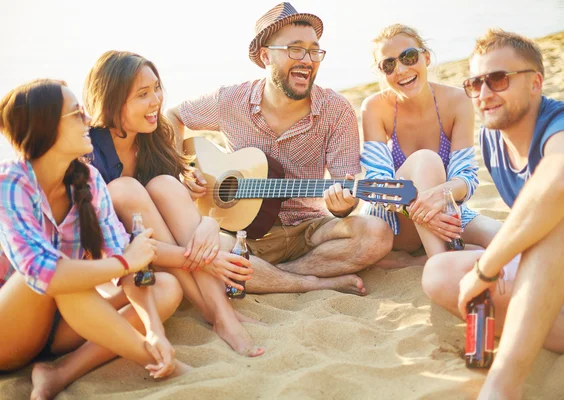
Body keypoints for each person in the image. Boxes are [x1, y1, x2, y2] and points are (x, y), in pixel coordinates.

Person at [167, 2, 393, 295]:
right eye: (295, 49)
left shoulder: (337, 110)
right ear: (265, 56)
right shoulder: (229, 101)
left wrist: (344, 204)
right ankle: (310, 281)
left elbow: (346, 189)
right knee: (213, 247)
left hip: (310, 231)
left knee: (376, 234)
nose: (307, 59)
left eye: (314, 50)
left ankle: (271, 276)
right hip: (242, 235)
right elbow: (171, 116)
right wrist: (180, 168)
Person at [422, 29, 564, 399]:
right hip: (560, 271)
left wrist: (487, 269)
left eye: (498, 79)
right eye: (474, 83)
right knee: (440, 273)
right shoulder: (491, 139)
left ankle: (503, 386)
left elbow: (563, 178)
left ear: (535, 82)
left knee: (557, 205)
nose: (485, 94)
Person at [0, 79, 192, 400]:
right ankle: (153, 358)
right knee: (64, 277)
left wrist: (155, 330)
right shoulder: (10, 183)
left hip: (68, 325)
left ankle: (61, 371)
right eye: (76, 114)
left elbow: (127, 264)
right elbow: (43, 273)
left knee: (166, 286)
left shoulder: (87, 179)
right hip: (11, 329)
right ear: (44, 128)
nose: (88, 120)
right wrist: (124, 262)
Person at [85, 50, 264, 357]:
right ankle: (218, 313)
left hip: (164, 256)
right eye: (143, 94)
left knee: (166, 184)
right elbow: (118, 244)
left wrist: (207, 221)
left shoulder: (153, 138)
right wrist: (205, 257)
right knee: (125, 189)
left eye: (156, 88)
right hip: (117, 267)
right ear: (112, 101)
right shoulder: (89, 153)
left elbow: (170, 213)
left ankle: (219, 314)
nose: (156, 101)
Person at [360, 24, 499, 269]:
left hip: (444, 210)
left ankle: (421, 259)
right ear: (381, 72)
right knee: (426, 159)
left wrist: (433, 199)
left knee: (503, 238)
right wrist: (417, 208)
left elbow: (466, 179)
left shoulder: (458, 101)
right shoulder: (375, 107)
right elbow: (377, 185)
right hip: (394, 221)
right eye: (388, 64)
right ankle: (441, 263)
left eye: (409, 57)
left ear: (426, 57)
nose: (401, 70)